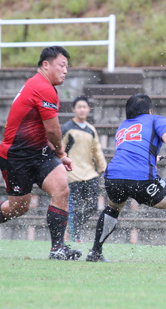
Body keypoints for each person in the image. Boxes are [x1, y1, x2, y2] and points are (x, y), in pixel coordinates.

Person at [0, 46, 82, 260]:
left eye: (67, 67)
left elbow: (45, 130)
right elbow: (53, 130)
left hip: (41, 153)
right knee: (19, 207)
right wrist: (62, 153)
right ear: (46, 65)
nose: (65, 71)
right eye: (62, 66)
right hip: (16, 157)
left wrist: (58, 156)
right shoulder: (42, 87)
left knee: (62, 189)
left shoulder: (44, 86)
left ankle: (57, 249)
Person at [86, 93, 166, 265]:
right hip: (140, 178)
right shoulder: (156, 119)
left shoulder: (123, 126)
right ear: (150, 110)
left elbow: (130, 152)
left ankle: (95, 252)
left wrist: (154, 159)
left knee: (113, 208)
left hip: (113, 176)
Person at [62, 95, 107, 242]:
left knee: (92, 206)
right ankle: (75, 236)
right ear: (74, 109)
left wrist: (104, 170)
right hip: (72, 174)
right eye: (79, 107)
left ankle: (76, 228)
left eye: (84, 107)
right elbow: (60, 150)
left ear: (88, 109)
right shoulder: (67, 128)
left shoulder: (91, 129)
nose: (82, 110)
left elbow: (97, 151)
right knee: (74, 207)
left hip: (89, 174)